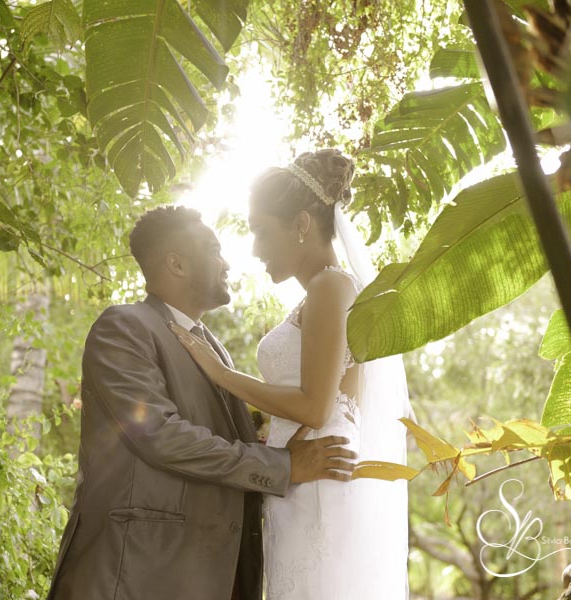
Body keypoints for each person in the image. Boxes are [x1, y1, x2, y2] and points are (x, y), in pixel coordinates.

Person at [47, 206, 359, 600]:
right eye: (214, 250)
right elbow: (160, 434)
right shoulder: (124, 328)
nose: (227, 263)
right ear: (176, 264)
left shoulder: (215, 351)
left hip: (212, 576)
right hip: (137, 575)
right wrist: (282, 464)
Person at [172, 150, 413, 599]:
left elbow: (316, 408)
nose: (255, 249)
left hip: (321, 486)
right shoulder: (320, 294)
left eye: (261, 231)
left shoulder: (331, 287)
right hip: (303, 478)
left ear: (301, 224)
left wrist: (221, 374)